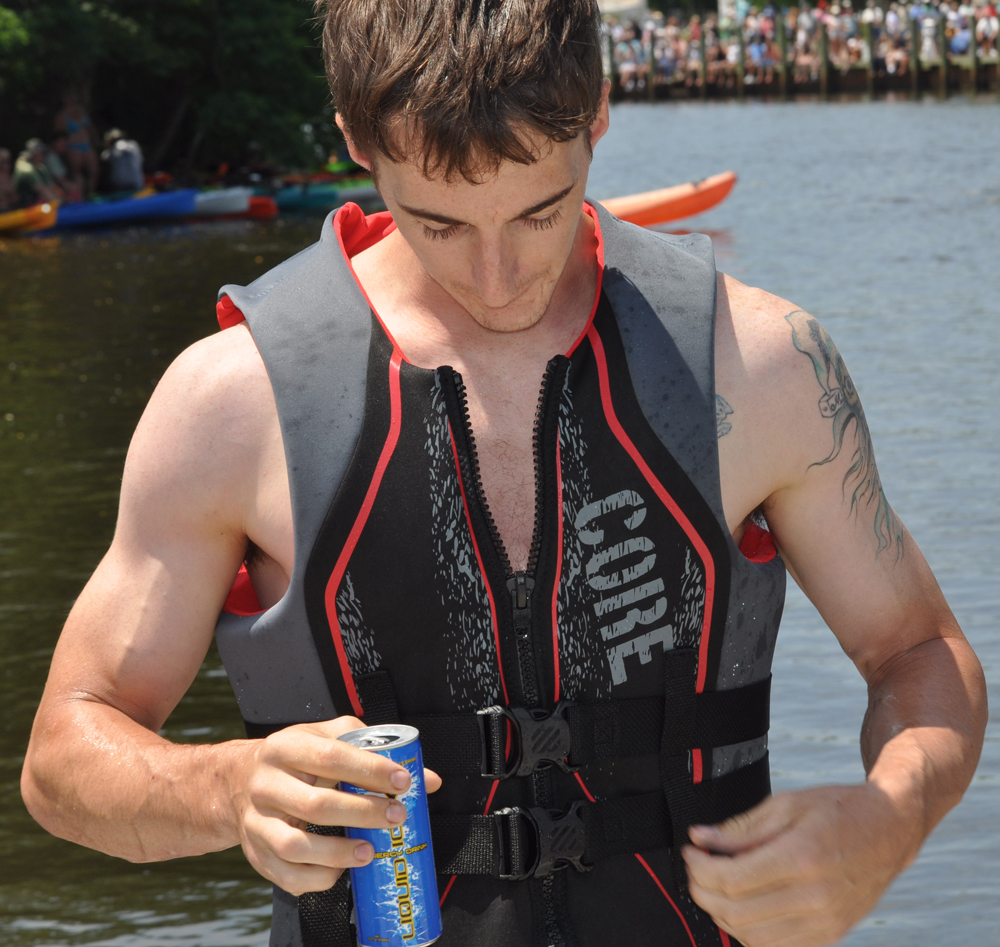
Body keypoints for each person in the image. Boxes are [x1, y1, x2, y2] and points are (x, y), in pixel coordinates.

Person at [22, 2, 986, 946]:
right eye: (437, 223)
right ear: (357, 137)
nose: (498, 277)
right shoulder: (230, 406)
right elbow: (64, 754)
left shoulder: (763, 366)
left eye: (540, 210)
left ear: (600, 109)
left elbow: (918, 651)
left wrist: (886, 821)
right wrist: (227, 790)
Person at [54, 90, 99, 198]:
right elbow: (57, 133)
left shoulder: (81, 111)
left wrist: (96, 139)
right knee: (77, 173)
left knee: (94, 170)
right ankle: (80, 196)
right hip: (73, 146)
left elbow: (90, 128)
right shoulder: (61, 116)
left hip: (87, 145)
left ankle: (91, 193)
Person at [13, 138, 62, 207]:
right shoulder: (26, 168)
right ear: (32, 154)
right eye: (39, 154)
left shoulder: (41, 167)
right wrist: (60, 205)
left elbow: (52, 187)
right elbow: (42, 190)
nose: (42, 156)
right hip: (24, 207)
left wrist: (63, 198)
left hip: (37, 204)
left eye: (42, 153)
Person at [99, 129, 145, 193]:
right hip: (138, 184)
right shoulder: (134, 145)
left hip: (120, 187)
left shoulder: (108, 153)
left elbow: (102, 159)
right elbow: (141, 160)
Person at [0, 148, 16, 212]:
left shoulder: (8, 176)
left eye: (8, 161)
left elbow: (15, 197)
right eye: (4, 162)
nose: (7, 165)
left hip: (11, 210)